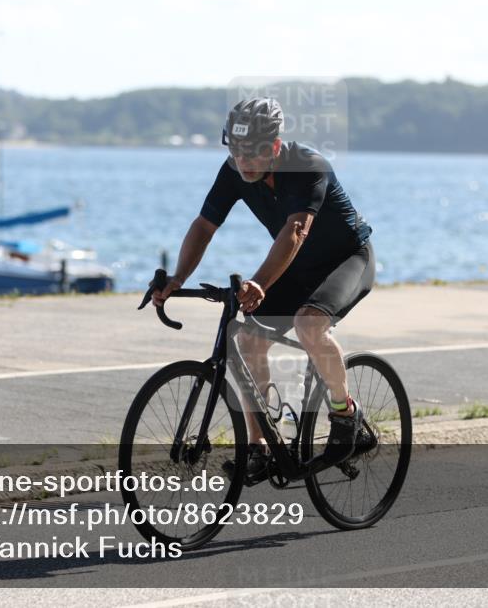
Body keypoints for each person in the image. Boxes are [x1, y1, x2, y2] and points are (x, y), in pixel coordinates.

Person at [153, 97, 376, 482]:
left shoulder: (308, 166)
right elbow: (205, 226)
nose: (243, 161)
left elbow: (295, 232)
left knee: (310, 326)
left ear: (274, 146)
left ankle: (346, 415)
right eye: (235, 151)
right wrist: (177, 279)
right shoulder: (234, 170)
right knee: (251, 341)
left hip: (346, 259)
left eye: (251, 152)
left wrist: (260, 283)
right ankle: (260, 446)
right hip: (297, 266)